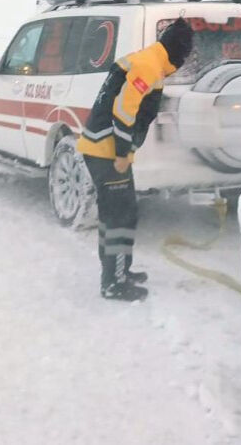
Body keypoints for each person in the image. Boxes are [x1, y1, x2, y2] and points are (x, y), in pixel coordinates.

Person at [77, 17, 194, 301]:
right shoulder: (148, 66)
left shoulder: (149, 60)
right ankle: (113, 282)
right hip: (106, 150)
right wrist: (121, 153)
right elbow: (124, 111)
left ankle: (120, 271)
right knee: (119, 217)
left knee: (121, 213)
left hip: (105, 147)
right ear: (178, 52)